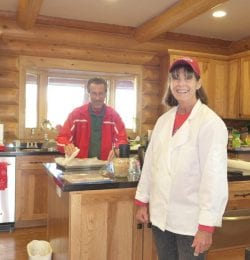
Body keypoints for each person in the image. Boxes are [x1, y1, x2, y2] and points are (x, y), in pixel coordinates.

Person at [135, 57, 228, 260]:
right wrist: (142, 200)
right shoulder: (163, 121)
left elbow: (214, 179)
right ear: (170, 83)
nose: (181, 83)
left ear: (198, 83)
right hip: (161, 217)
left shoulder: (211, 123)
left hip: (191, 222)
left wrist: (206, 226)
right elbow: (151, 162)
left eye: (188, 77)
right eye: (175, 78)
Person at [56, 77, 128, 161]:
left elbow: (122, 139)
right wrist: (66, 146)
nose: (97, 98)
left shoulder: (113, 116)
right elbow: (62, 138)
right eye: (94, 93)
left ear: (105, 94)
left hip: (105, 166)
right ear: (89, 94)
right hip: (80, 167)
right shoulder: (76, 114)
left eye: (100, 94)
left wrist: (118, 148)